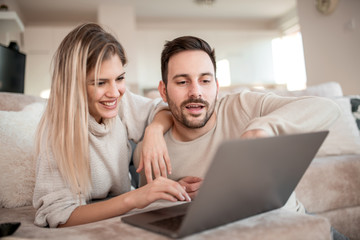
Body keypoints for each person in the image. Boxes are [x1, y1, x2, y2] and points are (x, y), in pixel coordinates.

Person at [134, 35, 348, 239]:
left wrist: (263, 128)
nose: (195, 91)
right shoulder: (152, 151)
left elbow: (328, 107)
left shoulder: (244, 106)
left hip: (298, 227)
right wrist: (176, 197)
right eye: (182, 82)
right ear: (163, 91)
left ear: (217, 87)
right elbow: (151, 211)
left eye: (205, 80)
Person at [32, 23, 191, 228]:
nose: (115, 92)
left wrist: (154, 130)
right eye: (100, 83)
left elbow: (163, 108)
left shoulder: (121, 102)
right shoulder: (56, 133)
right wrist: (134, 198)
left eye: (120, 78)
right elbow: (58, 215)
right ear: (74, 86)